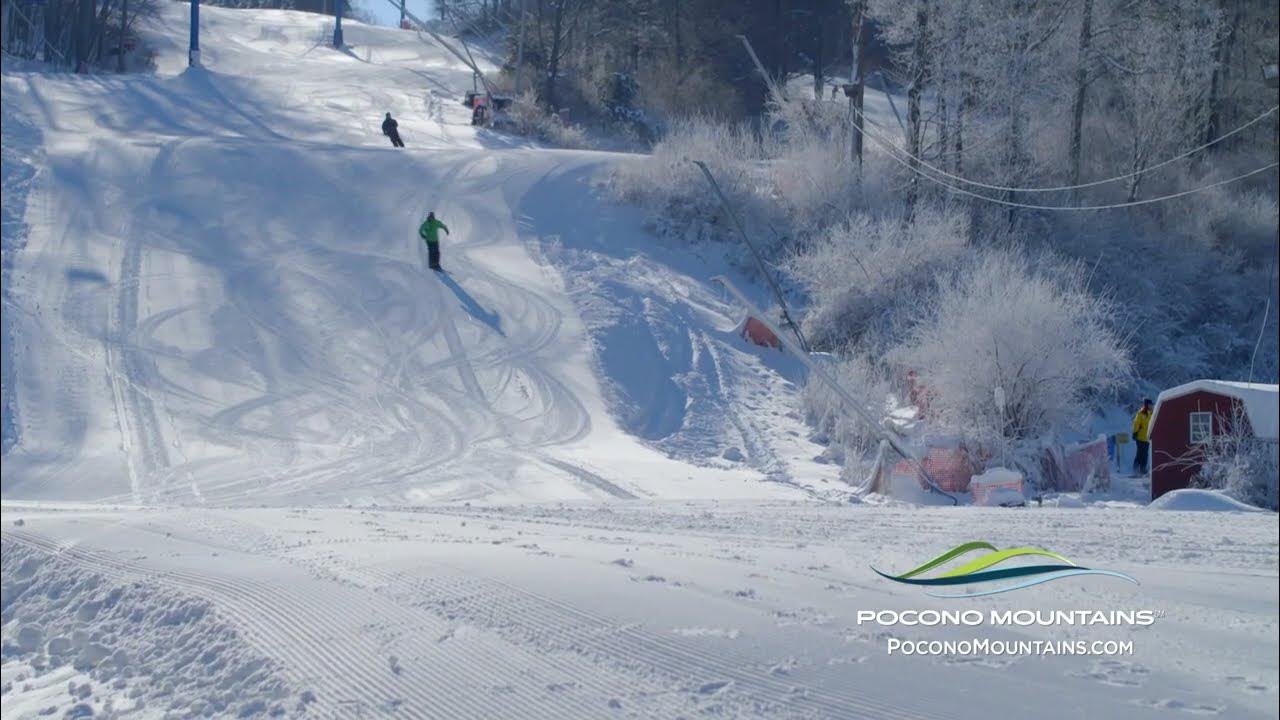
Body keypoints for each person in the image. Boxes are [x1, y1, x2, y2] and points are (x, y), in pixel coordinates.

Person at [1131, 398, 1154, 475]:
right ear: (1146, 405)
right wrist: (1134, 433)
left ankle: (1143, 469)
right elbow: (1136, 423)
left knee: (1145, 454)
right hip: (1140, 437)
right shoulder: (1141, 414)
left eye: (1152, 405)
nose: (1151, 406)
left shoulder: (1152, 413)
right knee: (1140, 453)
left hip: (1147, 437)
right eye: (1150, 405)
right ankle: (1135, 469)